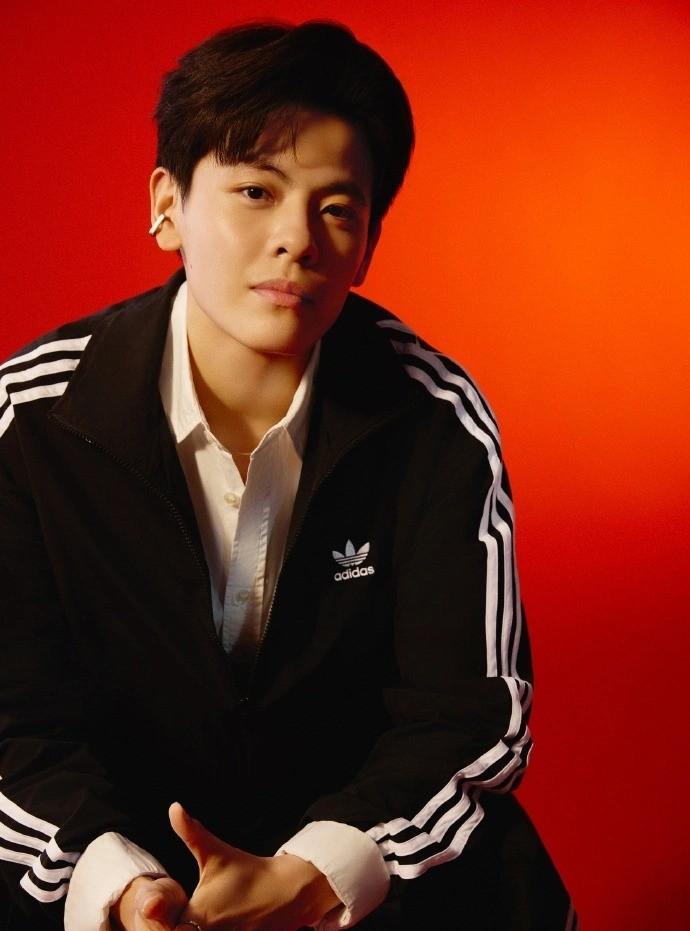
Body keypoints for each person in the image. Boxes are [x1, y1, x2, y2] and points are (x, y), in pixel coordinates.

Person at [0, 20, 576, 931]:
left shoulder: (434, 416)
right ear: (166, 205)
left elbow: (471, 716)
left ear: (369, 240)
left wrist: (313, 872)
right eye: (255, 191)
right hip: (107, 861)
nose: (296, 239)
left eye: (337, 207)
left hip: (362, 862)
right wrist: (123, 885)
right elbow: (13, 721)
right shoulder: (30, 418)